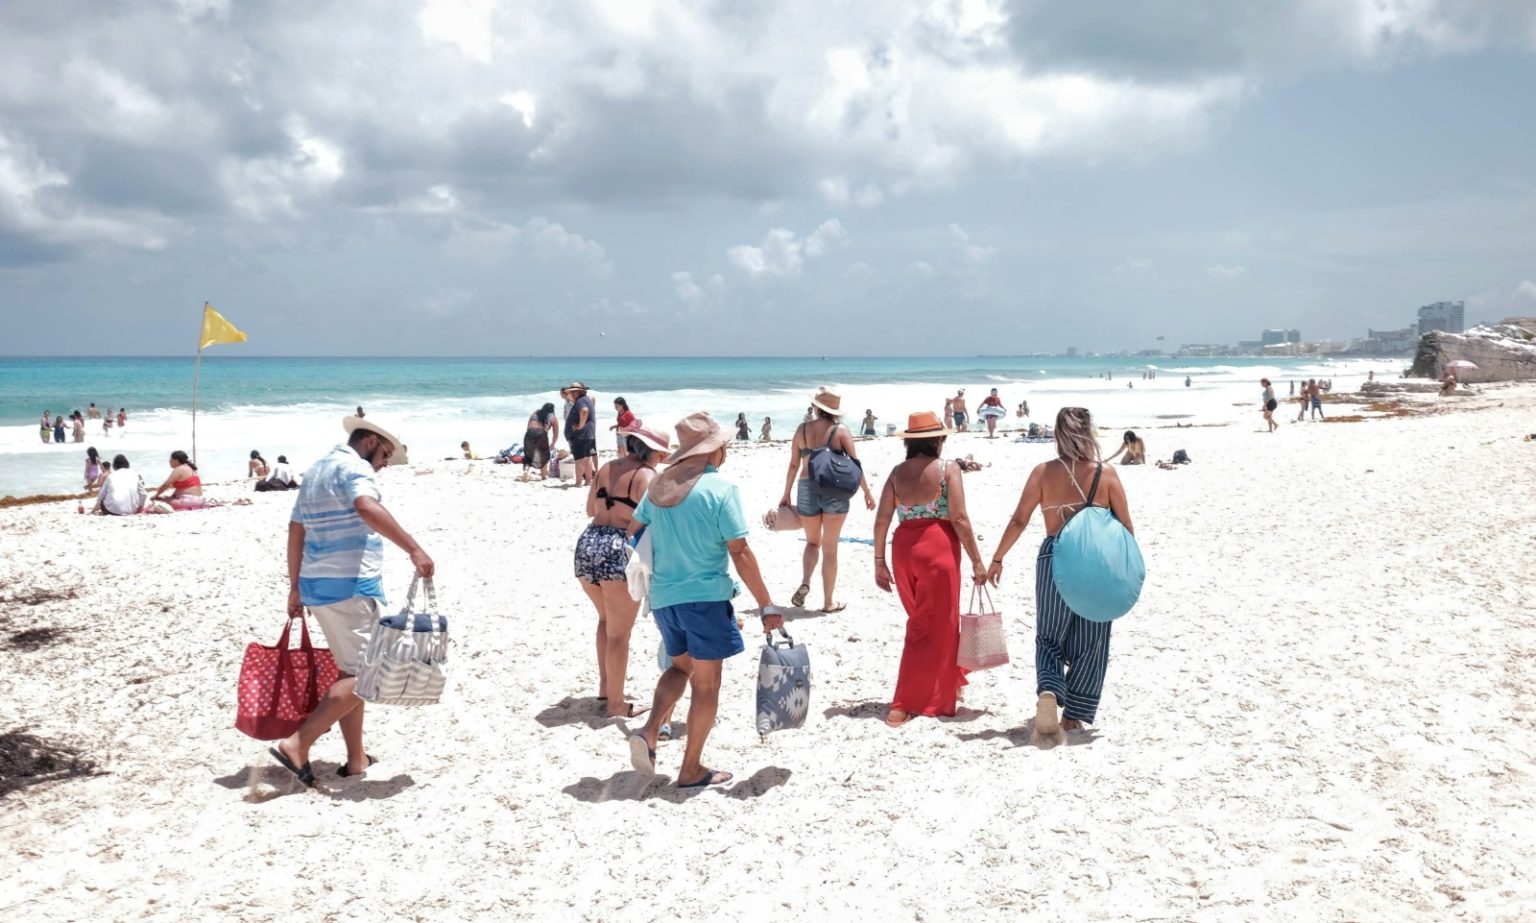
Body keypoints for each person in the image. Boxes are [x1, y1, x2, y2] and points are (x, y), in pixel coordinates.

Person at [270, 416, 434, 786]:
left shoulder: (316, 469)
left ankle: (356, 758)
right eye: (386, 454)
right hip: (350, 585)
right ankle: (297, 744)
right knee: (368, 674)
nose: (386, 463)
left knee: (350, 671)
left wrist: (295, 587)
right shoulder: (356, 468)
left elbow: (297, 529)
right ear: (372, 441)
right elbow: (365, 505)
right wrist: (414, 548)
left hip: (317, 584)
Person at [625, 413, 781, 789]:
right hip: (706, 599)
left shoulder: (659, 487)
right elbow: (740, 551)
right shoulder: (720, 489)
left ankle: (649, 731)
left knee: (679, 668)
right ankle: (691, 768)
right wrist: (766, 604)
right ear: (716, 449)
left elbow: (635, 529)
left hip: (664, 598)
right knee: (707, 687)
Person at [986, 406, 1134, 740]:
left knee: (1049, 635)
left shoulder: (1042, 473)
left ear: (1058, 434)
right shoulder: (1106, 474)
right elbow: (1125, 526)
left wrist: (997, 558)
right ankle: (1073, 717)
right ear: (1088, 432)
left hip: (1055, 556)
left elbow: (1019, 520)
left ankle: (1049, 691)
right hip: (1097, 562)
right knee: (1093, 637)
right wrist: (1125, 570)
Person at [872, 411, 987, 726]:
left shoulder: (896, 473)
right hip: (938, 550)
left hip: (903, 550)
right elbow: (960, 518)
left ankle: (946, 684)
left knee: (924, 622)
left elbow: (882, 520)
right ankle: (904, 703)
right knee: (931, 626)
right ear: (937, 439)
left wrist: (879, 562)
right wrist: (977, 560)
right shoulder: (948, 469)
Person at [577, 421, 670, 718]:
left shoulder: (605, 466)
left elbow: (591, 509)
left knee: (605, 621)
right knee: (620, 634)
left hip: (588, 544)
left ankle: (607, 687)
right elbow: (654, 523)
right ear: (653, 452)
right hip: (618, 549)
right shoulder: (648, 477)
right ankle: (616, 704)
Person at [779, 387, 875, 613]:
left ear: (816, 407)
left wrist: (786, 493)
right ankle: (828, 602)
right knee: (830, 549)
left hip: (806, 487)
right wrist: (867, 492)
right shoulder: (840, 430)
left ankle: (805, 581)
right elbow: (855, 464)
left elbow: (793, 464)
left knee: (813, 542)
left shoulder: (802, 430)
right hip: (835, 490)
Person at [564, 382, 598, 488]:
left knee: (579, 459)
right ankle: (588, 481)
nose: (573, 393)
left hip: (581, 435)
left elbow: (584, 411)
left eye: (575, 391)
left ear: (581, 391)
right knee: (587, 458)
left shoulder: (580, 401)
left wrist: (580, 426)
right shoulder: (586, 399)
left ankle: (578, 482)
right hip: (588, 434)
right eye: (572, 392)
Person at [521, 403, 559, 480]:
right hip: (541, 434)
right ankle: (543, 476)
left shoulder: (535, 413)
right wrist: (552, 444)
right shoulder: (553, 417)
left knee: (528, 455)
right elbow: (556, 433)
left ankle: (526, 471)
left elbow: (528, 426)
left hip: (530, 433)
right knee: (544, 456)